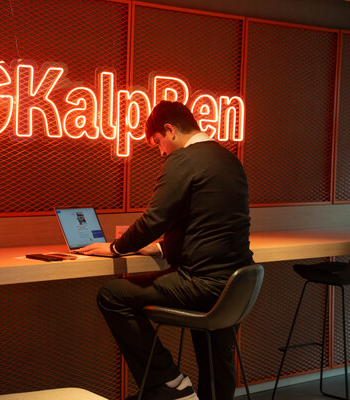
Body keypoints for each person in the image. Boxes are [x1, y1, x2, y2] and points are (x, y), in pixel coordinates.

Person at [80, 100, 254, 400]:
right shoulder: (229, 159)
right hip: (237, 283)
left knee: (111, 295)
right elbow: (211, 221)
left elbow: (154, 219)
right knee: (216, 354)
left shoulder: (183, 160)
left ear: (170, 130)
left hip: (201, 284)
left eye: (158, 143)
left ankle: (168, 383)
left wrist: (115, 248)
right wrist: (161, 248)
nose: (161, 152)